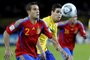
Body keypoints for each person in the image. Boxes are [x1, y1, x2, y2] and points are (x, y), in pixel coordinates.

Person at [3, 2, 68, 60]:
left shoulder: (42, 24)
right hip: (22, 53)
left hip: (35, 53)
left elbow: (51, 38)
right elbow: (6, 32)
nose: (37, 11)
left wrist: (62, 51)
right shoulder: (21, 22)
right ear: (28, 11)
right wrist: (7, 49)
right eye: (34, 9)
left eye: (38, 9)